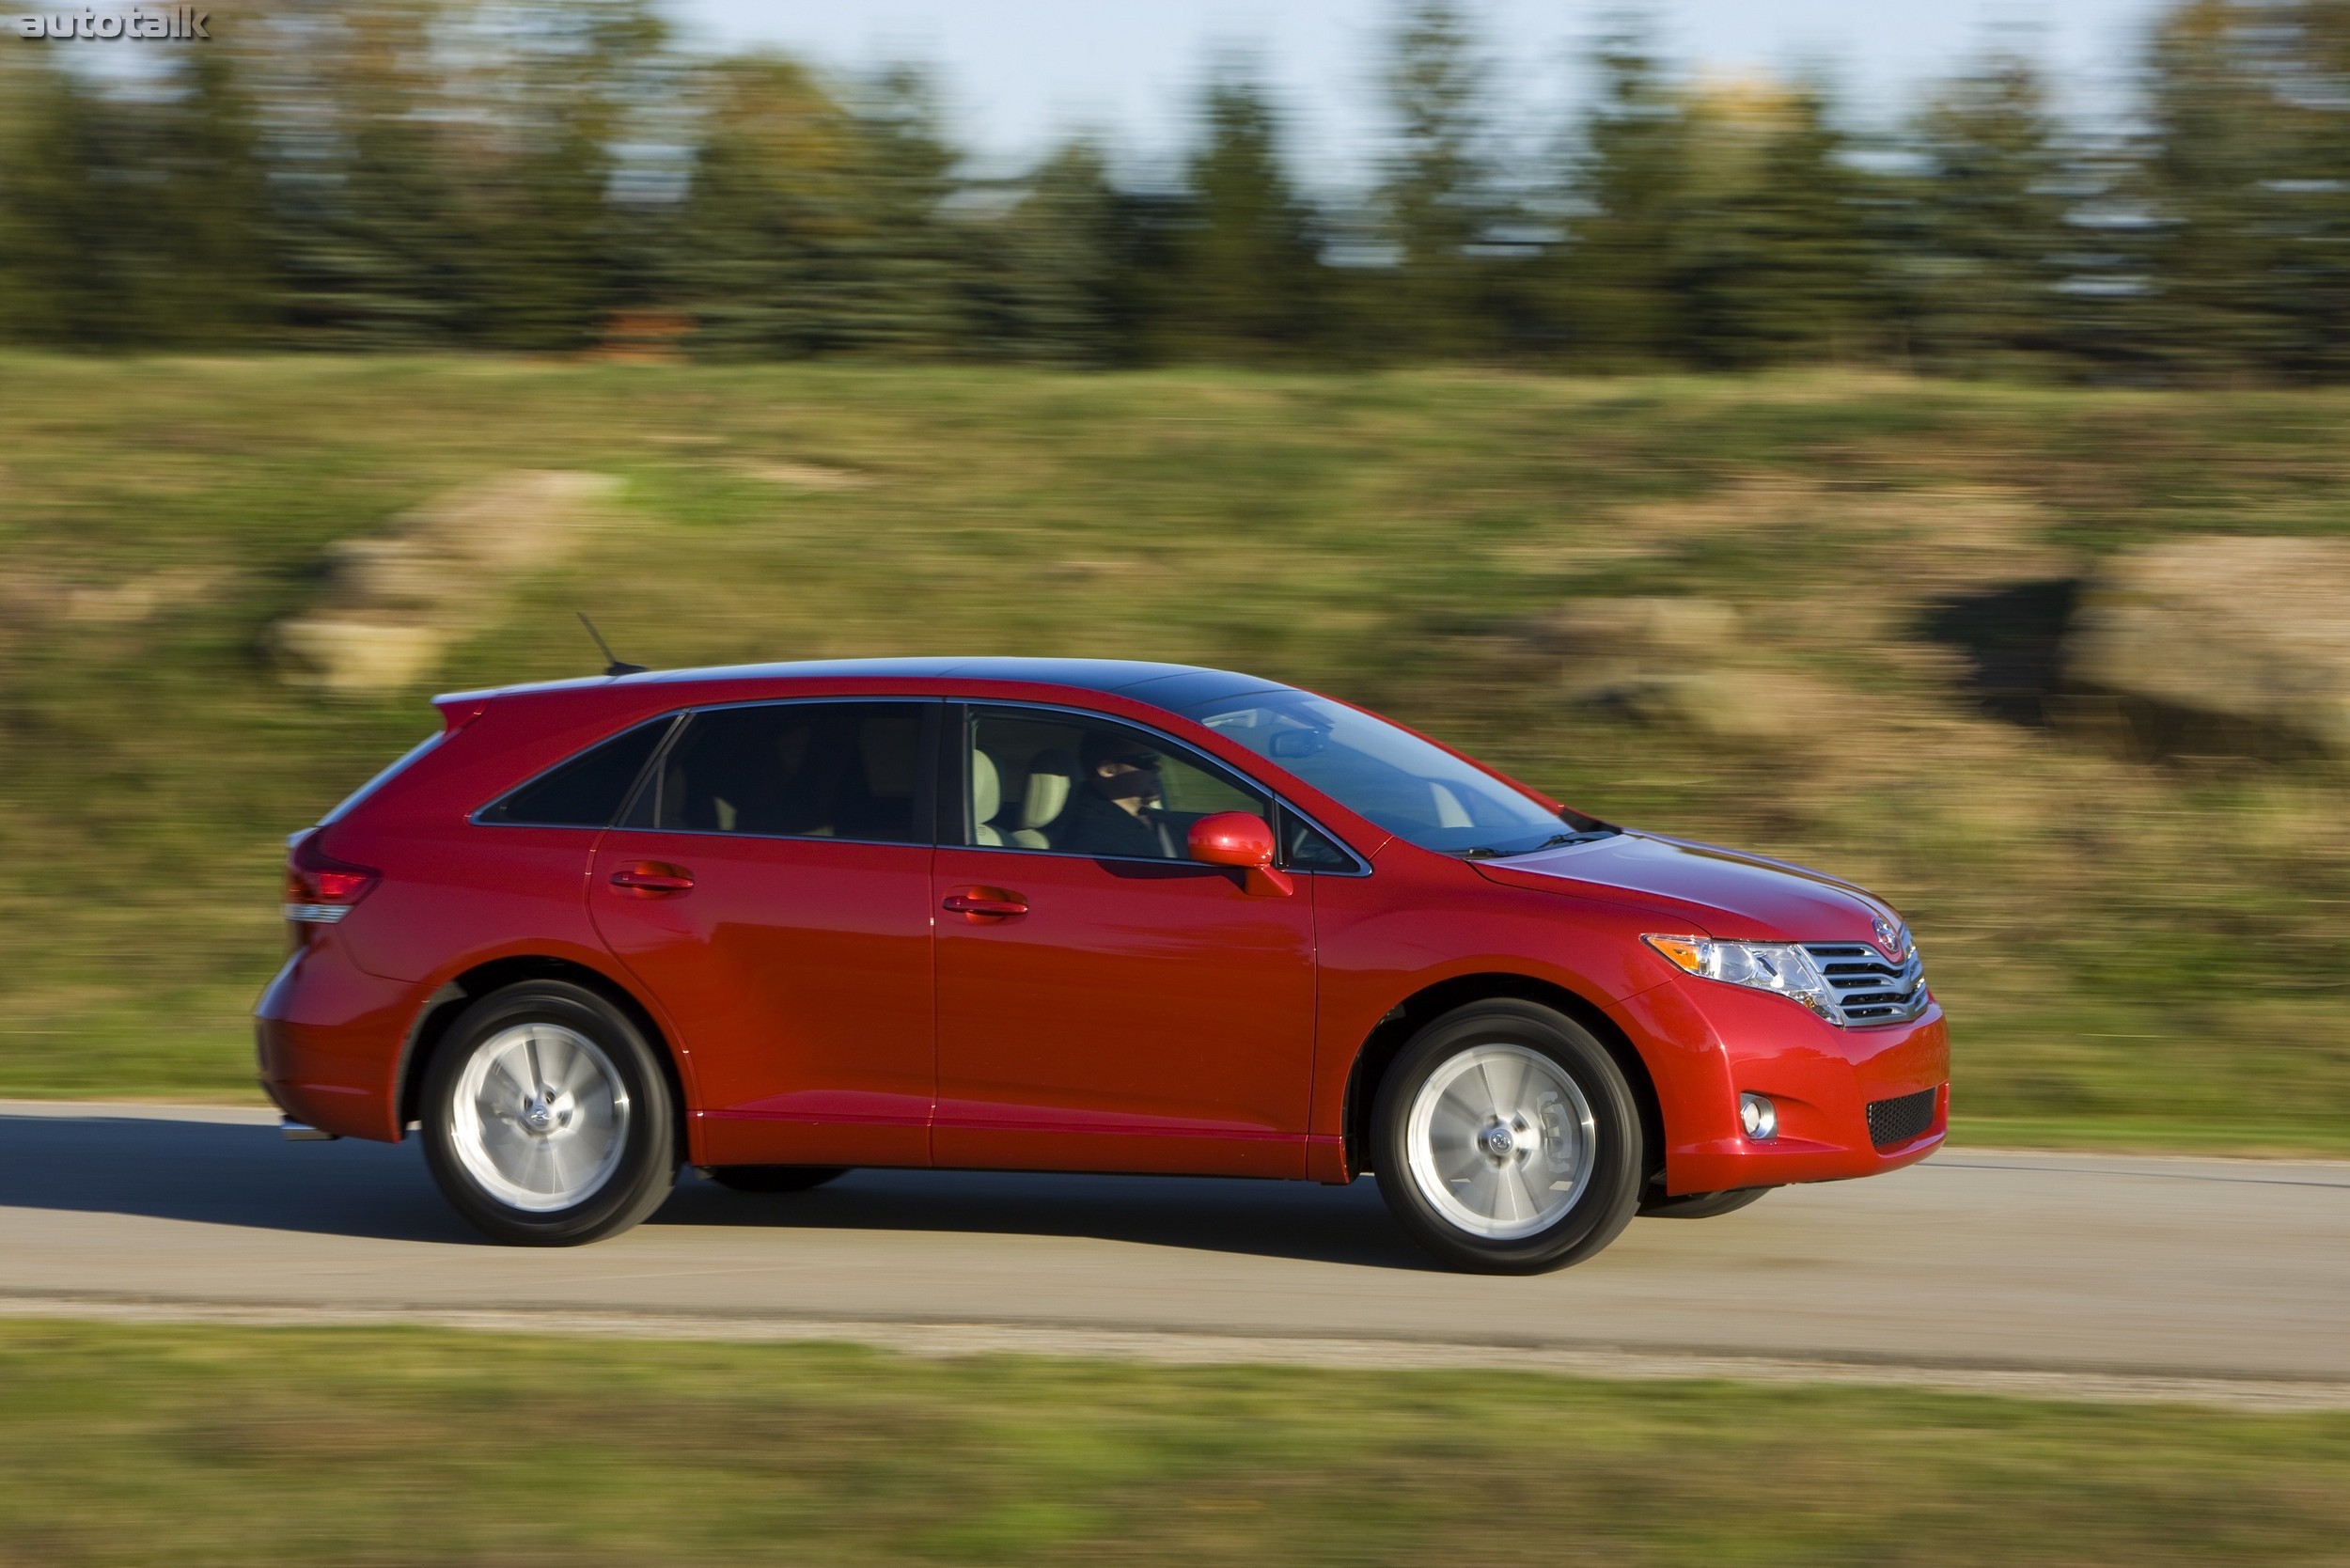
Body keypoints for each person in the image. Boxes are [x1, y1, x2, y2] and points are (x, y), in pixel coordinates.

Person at [1052, 730, 1182, 859]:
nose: (1157, 767)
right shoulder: (1096, 841)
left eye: (1156, 759)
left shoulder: (1146, 816)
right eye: (1146, 760)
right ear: (1108, 770)